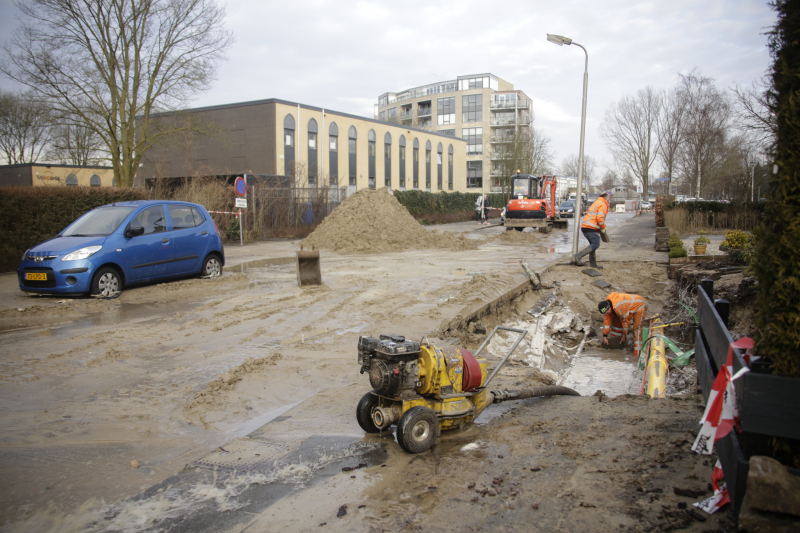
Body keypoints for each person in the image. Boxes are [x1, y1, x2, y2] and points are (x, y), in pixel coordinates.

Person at [599, 293, 647, 360]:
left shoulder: (619, 308)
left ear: (609, 308)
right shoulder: (608, 305)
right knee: (616, 323)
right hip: (625, 308)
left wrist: (625, 336)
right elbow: (607, 320)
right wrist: (605, 336)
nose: (606, 314)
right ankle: (617, 344)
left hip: (640, 305)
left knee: (637, 329)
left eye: (607, 312)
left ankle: (637, 355)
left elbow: (626, 322)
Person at [574, 192, 610, 269]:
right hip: (591, 227)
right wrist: (603, 228)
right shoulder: (603, 204)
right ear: (606, 197)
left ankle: (593, 264)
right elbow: (600, 218)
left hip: (585, 226)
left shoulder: (596, 202)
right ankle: (578, 255)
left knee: (592, 245)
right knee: (596, 244)